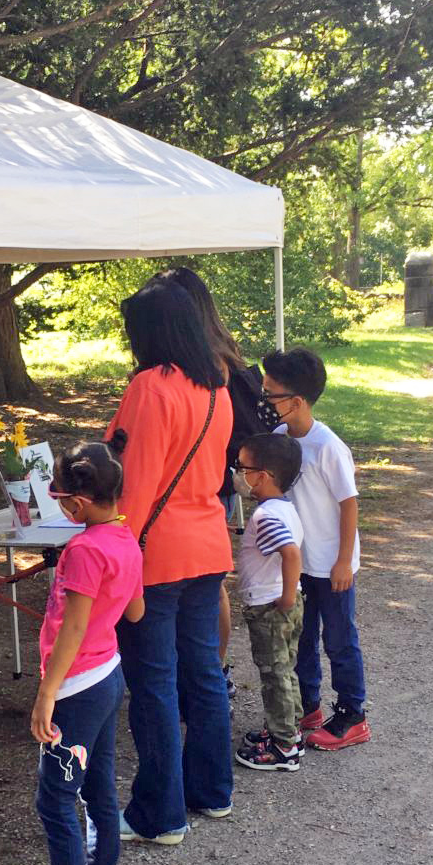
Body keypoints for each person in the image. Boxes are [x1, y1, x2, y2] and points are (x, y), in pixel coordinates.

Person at [5, 437, 144, 865]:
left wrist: (46, 693)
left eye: (61, 498)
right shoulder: (124, 539)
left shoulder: (85, 550)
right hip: (108, 675)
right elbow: (134, 610)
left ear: (79, 504)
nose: (59, 506)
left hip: (78, 687)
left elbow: (75, 628)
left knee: (57, 798)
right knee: (99, 787)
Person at [106, 277, 234, 844]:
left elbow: (135, 482)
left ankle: (160, 813)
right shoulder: (217, 385)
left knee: (154, 683)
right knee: (202, 672)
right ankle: (212, 790)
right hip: (207, 541)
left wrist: (117, 551)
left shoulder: (151, 386)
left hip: (156, 549)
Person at [151, 267, 264, 698]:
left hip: (196, 491)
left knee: (204, 589)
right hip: (210, 493)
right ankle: (212, 672)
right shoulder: (223, 358)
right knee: (208, 586)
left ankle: (211, 672)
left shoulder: (211, 367)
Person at [260, 347, 371, 750]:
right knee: (301, 636)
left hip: (331, 565)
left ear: (296, 402)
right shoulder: (277, 441)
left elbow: (348, 504)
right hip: (299, 563)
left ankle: (352, 714)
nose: (263, 399)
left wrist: (344, 561)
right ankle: (307, 705)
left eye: (270, 394)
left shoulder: (327, 446)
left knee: (339, 638)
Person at [231, 433, 305, 771]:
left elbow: (289, 553)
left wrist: (287, 595)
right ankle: (289, 728)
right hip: (281, 602)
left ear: (262, 476)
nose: (238, 474)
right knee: (285, 670)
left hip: (270, 606)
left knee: (274, 674)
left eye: (242, 467)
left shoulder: (266, 517)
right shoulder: (284, 508)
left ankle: (283, 747)